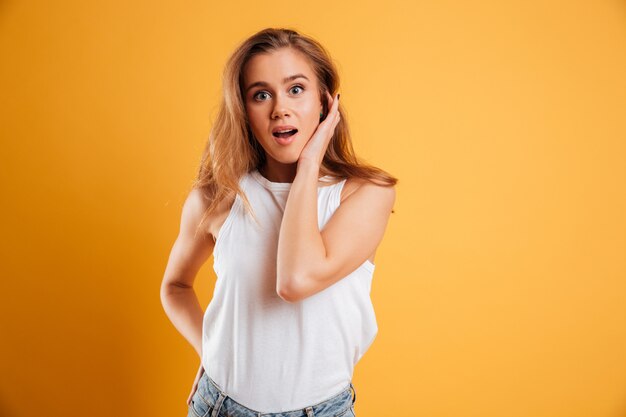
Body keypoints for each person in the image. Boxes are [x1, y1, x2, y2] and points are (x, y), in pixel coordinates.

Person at [160, 27, 397, 417]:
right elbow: (175, 286)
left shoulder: (366, 194)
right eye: (261, 94)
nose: (279, 109)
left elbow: (296, 280)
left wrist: (308, 166)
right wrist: (210, 350)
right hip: (218, 405)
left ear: (325, 103)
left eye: (296, 89)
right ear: (244, 109)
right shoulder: (218, 197)